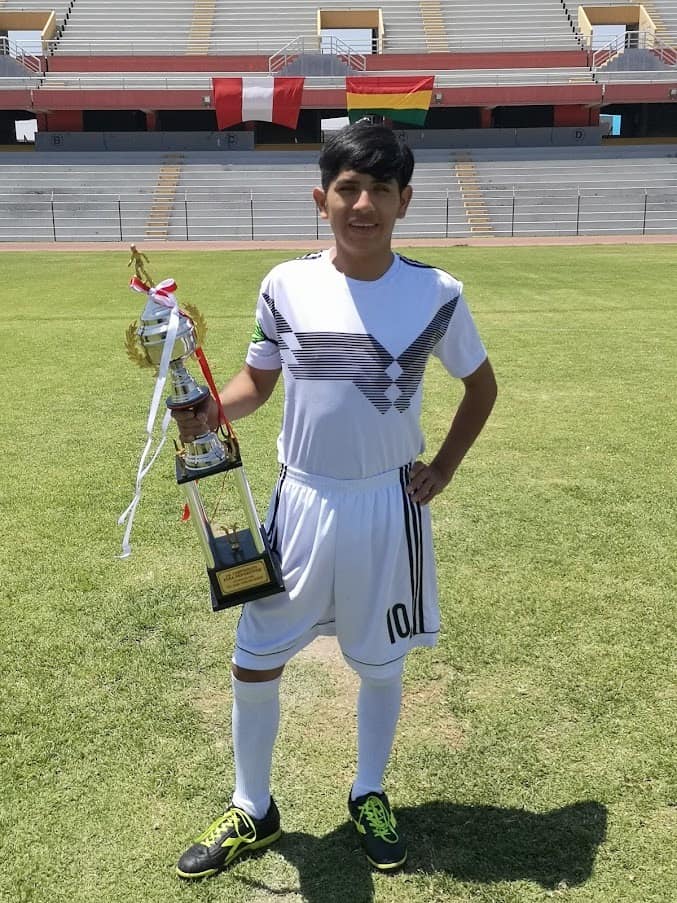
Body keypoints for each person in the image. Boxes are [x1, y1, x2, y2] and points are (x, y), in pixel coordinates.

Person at [171, 120, 497, 880]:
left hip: (388, 506)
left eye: (380, 188)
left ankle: (368, 791)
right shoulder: (285, 285)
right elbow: (257, 383)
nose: (363, 204)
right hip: (301, 500)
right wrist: (209, 409)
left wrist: (443, 469)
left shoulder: (437, 292)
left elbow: (481, 388)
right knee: (255, 658)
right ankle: (252, 805)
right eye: (348, 188)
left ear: (404, 200)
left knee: (380, 663)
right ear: (322, 199)